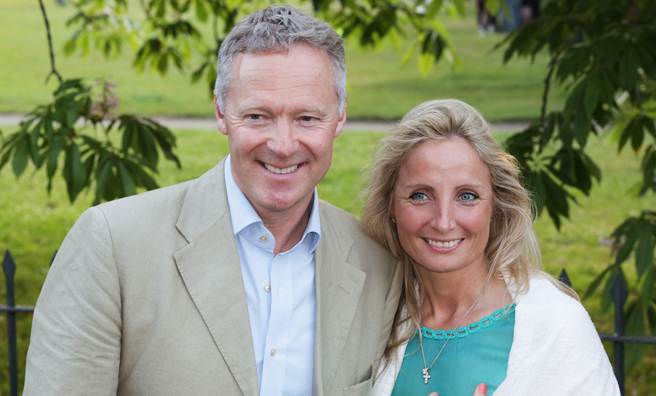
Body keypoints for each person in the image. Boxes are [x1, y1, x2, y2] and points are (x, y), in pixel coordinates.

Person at [23, 5, 402, 395]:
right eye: (257, 116)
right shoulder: (112, 246)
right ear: (221, 111)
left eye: (307, 118)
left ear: (339, 116)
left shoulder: (379, 264)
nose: (283, 145)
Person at [361, 99, 620, 396]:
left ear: (496, 206)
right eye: (420, 195)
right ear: (390, 205)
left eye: (467, 196)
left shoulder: (556, 326)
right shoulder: (372, 317)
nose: (443, 222)